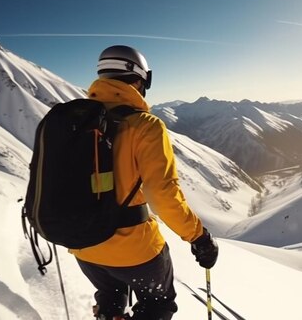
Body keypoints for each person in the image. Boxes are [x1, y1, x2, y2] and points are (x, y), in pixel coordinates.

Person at [69, 45, 219, 320]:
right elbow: (163, 195)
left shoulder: (73, 121)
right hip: (135, 252)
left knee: (111, 295)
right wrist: (199, 237)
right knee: (158, 305)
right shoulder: (146, 126)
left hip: (82, 244)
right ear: (139, 79)